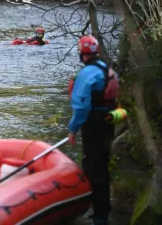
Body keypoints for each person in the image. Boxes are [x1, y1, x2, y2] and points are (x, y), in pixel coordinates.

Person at [67, 35, 120, 225]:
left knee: (93, 167)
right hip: (108, 122)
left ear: (82, 53)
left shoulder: (87, 73)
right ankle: (101, 210)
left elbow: (81, 106)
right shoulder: (107, 69)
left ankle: (99, 216)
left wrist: (73, 129)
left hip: (93, 124)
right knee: (102, 166)